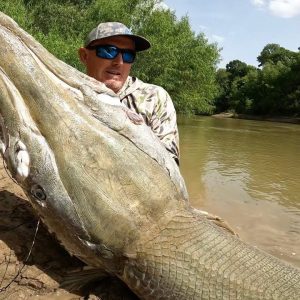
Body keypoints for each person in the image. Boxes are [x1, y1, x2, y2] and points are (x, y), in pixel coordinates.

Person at [78, 22, 180, 165]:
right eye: (108, 51)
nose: (119, 62)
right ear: (84, 56)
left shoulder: (155, 98)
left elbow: (169, 167)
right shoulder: (68, 94)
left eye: (128, 55)